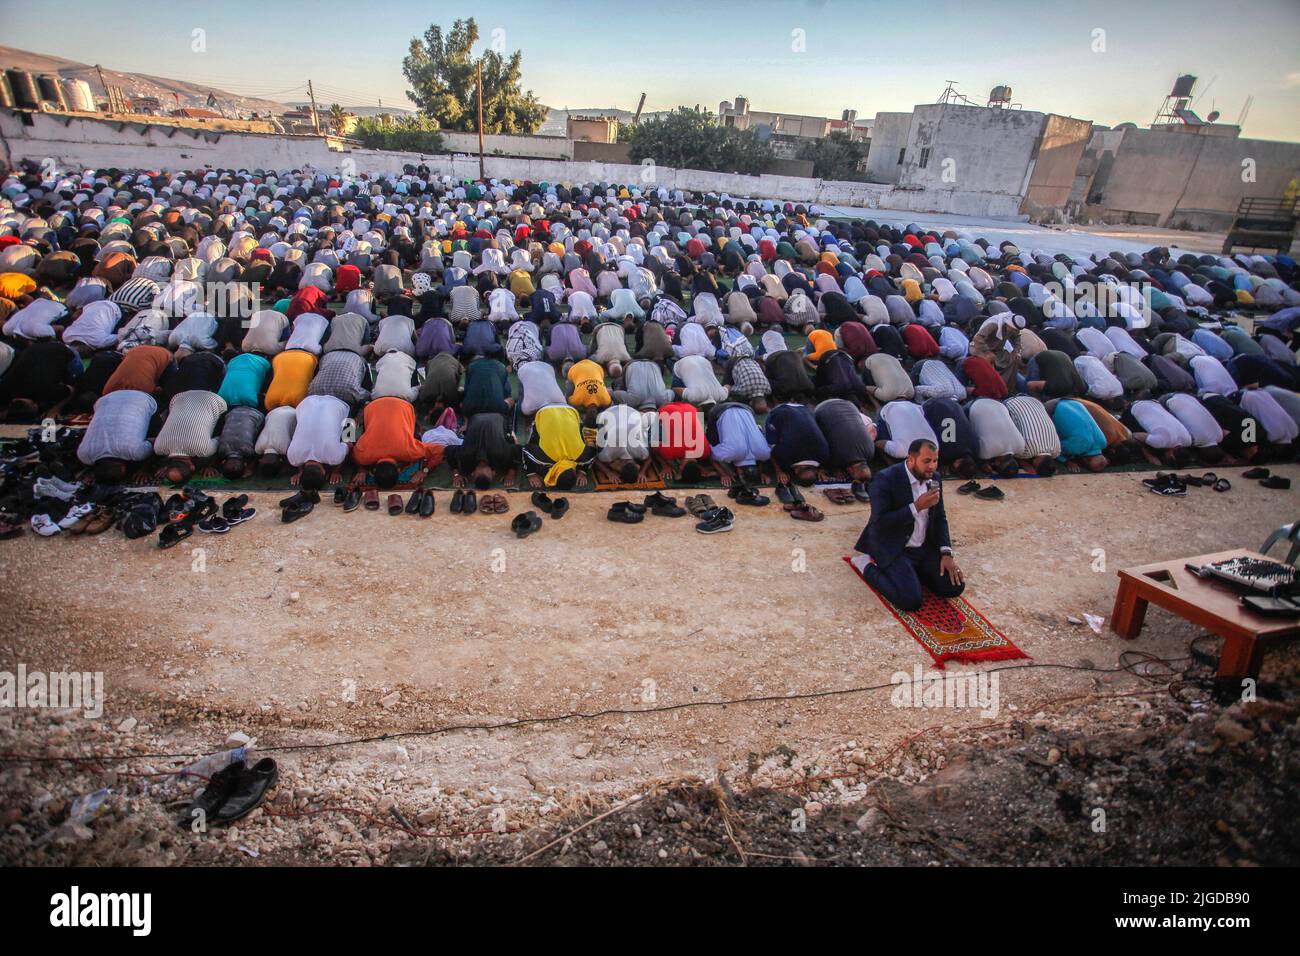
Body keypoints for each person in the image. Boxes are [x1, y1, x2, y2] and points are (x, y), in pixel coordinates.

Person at [851, 439, 964, 612]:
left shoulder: (934, 479)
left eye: (935, 461)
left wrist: (946, 553)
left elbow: (940, 517)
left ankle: (912, 573)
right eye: (926, 461)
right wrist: (916, 506)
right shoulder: (885, 479)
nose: (932, 467)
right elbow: (879, 523)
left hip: (922, 546)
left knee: (954, 587)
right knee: (910, 601)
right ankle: (866, 565)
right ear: (911, 460)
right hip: (894, 546)